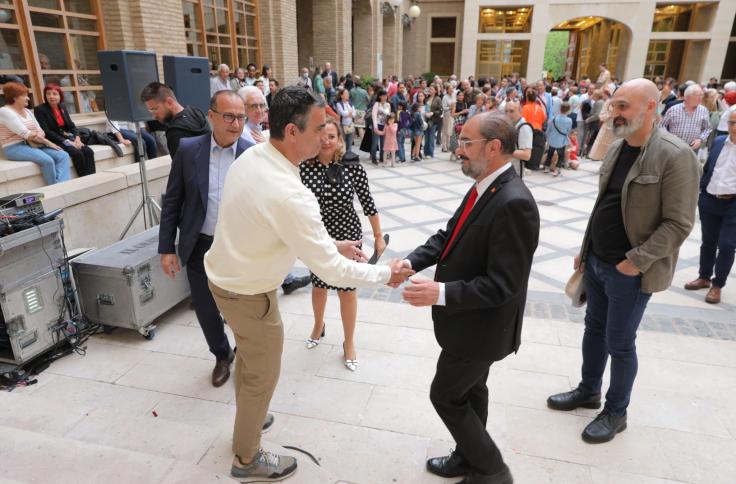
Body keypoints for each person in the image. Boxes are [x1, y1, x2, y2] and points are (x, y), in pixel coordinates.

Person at [203, 86, 413, 482]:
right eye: (319, 127)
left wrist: (327, 242)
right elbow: (332, 271)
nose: (328, 134)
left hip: (226, 279)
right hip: (248, 293)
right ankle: (246, 458)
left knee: (250, 361)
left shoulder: (253, 159)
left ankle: (252, 415)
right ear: (292, 131)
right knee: (261, 372)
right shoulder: (290, 193)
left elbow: (271, 226)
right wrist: (385, 273)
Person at [547, 79, 700, 444]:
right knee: (593, 330)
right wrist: (586, 251)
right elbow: (604, 203)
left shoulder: (675, 155)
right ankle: (588, 390)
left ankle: (616, 412)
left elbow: (679, 223)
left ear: (651, 106)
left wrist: (636, 261)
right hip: (598, 262)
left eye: (623, 106)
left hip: (630, 272)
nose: (614, 113)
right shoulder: (618, 148)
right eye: (613, 105)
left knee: (620, 342)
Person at [400, 112, 539, 484]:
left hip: (483, 329)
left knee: (445, 395)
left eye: (466, 142)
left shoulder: (514, 202)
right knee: (472, 390)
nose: (458, 149)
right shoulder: (484, 185)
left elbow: (502, 285)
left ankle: (492, 471)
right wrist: (411, 262)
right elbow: (450, 236)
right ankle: (468, 457)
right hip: (468, 324)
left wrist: (438, 292)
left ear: (493, 147)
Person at [158, 90, 254, 387]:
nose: (236, 124)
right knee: (205, 307)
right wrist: (166, 248)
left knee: (244, 306)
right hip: (200, 244)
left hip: (239, 248)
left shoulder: (252, 154)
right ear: (211, 115)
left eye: (241, 117)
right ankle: (221, 355)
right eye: (229, 116)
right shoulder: (189, 150)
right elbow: (173, 200)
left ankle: (247, 351)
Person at [300, 119, 386, 370]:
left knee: (347, 289)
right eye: (321, 135)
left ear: (339, 139)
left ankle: (349, 342)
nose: (326, 141)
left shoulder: (351, 166)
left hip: (348, 233)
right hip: (318, 233)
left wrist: (378, 235)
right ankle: (318, 325)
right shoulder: (304, 167)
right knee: (319, 286)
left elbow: (367, 201)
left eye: (331, 136)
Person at [684, 110, 736, 304]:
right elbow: (707, 169)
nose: (734, 127)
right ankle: (704, 277)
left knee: (727, 245)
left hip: (733, 204)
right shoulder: (719, 142)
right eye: (732, 123)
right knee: (708, 242)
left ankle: (717, 285)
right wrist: (702, 194)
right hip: (711, 200)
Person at [0, 81, 70, 185]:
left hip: (34, 143)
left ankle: (62, 185)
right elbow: (26, 134)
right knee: (47, 160)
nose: (28, 98)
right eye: (24, 96)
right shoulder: (5, 112)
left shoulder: (27, 111)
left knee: (63, 155)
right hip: (14, 147)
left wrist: (47, 142)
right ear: (14, 97)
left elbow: (40, 131)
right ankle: (55, 187)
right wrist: (37, 136)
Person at [34, 83, 95, 177]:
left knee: (88, 151)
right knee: (77, 153)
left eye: (54, 94)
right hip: (55, 140)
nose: (51, 96)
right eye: (48, 94)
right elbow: (46, 131)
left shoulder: (62, 107)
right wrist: (68, 142)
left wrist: (77, 139)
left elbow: (71, 126)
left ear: (60, 96)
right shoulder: (40, 109)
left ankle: (92, 177)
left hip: (68, 137)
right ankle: (84, 179)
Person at [140, 82, 210, 157]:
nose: (154, 116)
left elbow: (184, 166)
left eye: (155, 109)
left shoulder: (175, 132)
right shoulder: (196, 112)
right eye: (151, 111)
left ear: (169, 102)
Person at [660, 84, 711, 152]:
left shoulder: (703, 110)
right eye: (697, 95)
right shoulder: (673, 109)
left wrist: (700, 140)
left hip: (692, 149)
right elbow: (662, 126)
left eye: (701, 95)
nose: (700, 98)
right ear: (687, 97)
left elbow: (707, 128)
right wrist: (669, 138)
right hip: (673, 147)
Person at [544, 101, 573, 176]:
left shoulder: (553, 119)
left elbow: (548, 130)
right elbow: (568, 132)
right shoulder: (569, 121)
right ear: (568, 110)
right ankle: (556, 170)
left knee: (550, 154)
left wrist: (547, 139)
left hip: (552, 140)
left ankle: (546, 168)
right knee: (561, 156)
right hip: (561, 141)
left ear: (560, 109)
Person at [505, 100, 532, 176]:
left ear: (520, 111)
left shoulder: (524, 127)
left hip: (515, 172)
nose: (508, 114)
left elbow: (526, 155)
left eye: (511, 111)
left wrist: (504, 151)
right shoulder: (511, 125)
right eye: (506, 111)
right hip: (508, 170)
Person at [588, 90, 616, 161]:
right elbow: (601, 116)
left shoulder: (623, 104)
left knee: (612, 151)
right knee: (601, 150)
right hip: (606, 128)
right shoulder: (608, 102)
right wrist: (611, 115)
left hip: (616, 130)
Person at [371, 89, 391, 164]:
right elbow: (374, 115)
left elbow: (389, 116)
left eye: (386, 96)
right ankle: (374, 158)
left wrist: (388, 126)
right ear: (380, 96)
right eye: (383, 96)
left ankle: (382, 157)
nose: (385, 97)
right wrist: (375, 127)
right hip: (377, 125)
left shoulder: (388, 105)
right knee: (375, 142)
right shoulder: (376, 104)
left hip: (384, 125)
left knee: (383, 143)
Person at [449, 91, 469, 159]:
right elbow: (452, 114)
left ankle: (461, 153)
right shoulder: (455, 104)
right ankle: (454, 152)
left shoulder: (465, 104)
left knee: (462, 138)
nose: (461, 97)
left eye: (462, 95)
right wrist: (462, 112)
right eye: (459, 95)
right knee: (455, 138)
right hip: (457, 121)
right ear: (457, 96)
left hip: (464, 122)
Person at [335, 88, 356, 154]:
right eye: (346, 93)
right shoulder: (339, 104)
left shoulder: (350, 103)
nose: (347, 95)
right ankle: (341, 157)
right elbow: (342, 113)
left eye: (348, 93)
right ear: (341, 96)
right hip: (342, 125)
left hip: (350, 125)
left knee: (349, 143)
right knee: (342, 142)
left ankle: (348, 157)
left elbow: (354, 114)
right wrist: (349, 113)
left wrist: (349, 113)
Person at [424, 85, 442, 159]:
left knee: (431, 137)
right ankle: (426, 152)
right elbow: (424, 107)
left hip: (433, 120)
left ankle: (430, 153)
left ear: (435, 91)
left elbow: (440, 110)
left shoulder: (438, 99)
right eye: (429, 89)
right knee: (426, 137)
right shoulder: (427, 98)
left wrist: (433, 113)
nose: (430, 90)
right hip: (426, 119)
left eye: (432, 89)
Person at [410, 94, 426, 162]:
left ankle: (413, 155)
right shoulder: (418, 114)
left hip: (414, 130)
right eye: (419, 107)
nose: (420, 109)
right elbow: (421, 122)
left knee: (415, 143)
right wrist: (423, 125)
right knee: (418, 144)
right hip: (419, 130)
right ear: (417, 108)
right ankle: (416, 156)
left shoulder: (412, 114)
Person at [441, 84, 456, 152]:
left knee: (449, 131)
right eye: (450, 89)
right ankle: (444, 146)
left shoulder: (453, 96)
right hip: (446, 115)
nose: (451, 90)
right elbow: (443, 107)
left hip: (452, 115)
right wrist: (450, 107)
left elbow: (454, 104)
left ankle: (448, 145)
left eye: (452, 88)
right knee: (445, 131)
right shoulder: (445, 97)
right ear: (447, 90)